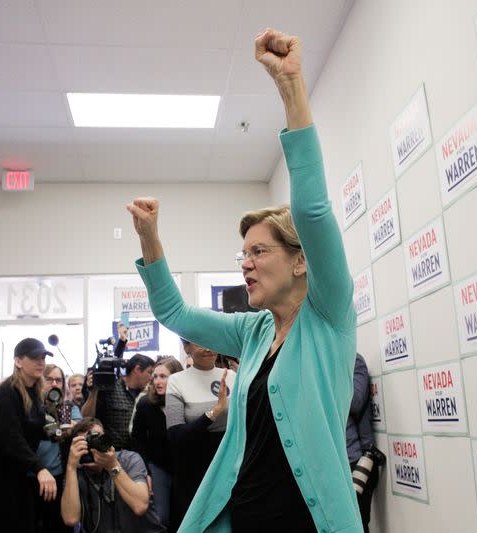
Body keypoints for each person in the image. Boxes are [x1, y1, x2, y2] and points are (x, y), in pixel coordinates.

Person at [126, 29, 360, 531]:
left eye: (259, 251)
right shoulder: (252, 333)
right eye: (243, 253)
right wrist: (150, 238)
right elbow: (175, 314)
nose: (246, 264)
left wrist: (291, 87)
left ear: (301, 261)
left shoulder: (329, 315)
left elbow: (313, 210)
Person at [0, 337, 57, 533]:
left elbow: (33, 427)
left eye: (43, 357)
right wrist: (40, 469)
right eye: (35, 357)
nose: (41, 362)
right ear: (18, 361)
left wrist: (58, 432)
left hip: (17, 478)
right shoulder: (6, 394)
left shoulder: (34, 392)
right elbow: (11, 439)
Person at [161, 341, 234, 531]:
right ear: (187, 348)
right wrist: (214, 412)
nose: (208, 348)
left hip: (229, 466)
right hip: (193, 472)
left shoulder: (233, 376)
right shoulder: (177, 381)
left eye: (211, 340)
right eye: (199, 343)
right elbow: (176, 437)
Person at [60, 418, 164, 533]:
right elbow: (70, 519)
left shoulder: (129, 460)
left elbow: (140, 506)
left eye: (97, 438)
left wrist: (112, 466)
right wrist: (70, 467)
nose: (93, 447)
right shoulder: (75, 472)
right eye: (86, 443)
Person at [131, 357, 184, 528]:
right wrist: (144, 471)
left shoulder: (186, 402)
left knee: (182, 514)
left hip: (182, 466)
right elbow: (138, 439)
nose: (158, 381)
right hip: (158, 465)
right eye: (155, 376)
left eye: (163, 376)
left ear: (177, 377)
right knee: (161, 517)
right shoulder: (146, 403)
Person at [81, 354, 155, 451]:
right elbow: (87, 418)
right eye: (149, 372)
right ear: (137, 369)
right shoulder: (110, 387)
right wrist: (93, 392)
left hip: (138, 454)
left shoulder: (147, 395)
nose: (151, 378)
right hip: (111, 452)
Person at [36, 364, 77, 533]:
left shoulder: (67, 407)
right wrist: (61, 428)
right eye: (49, 379)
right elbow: (62, 431)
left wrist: (55, 425)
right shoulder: (31, 406)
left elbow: (75, 427)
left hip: (59, 477)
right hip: (31, 476)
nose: (53, 384)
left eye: (58, 380)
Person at [346, 354, 380, 533]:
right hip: (335, 461)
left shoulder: (353, 361)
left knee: (357, 524)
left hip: (358, 460)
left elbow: (356, 402)